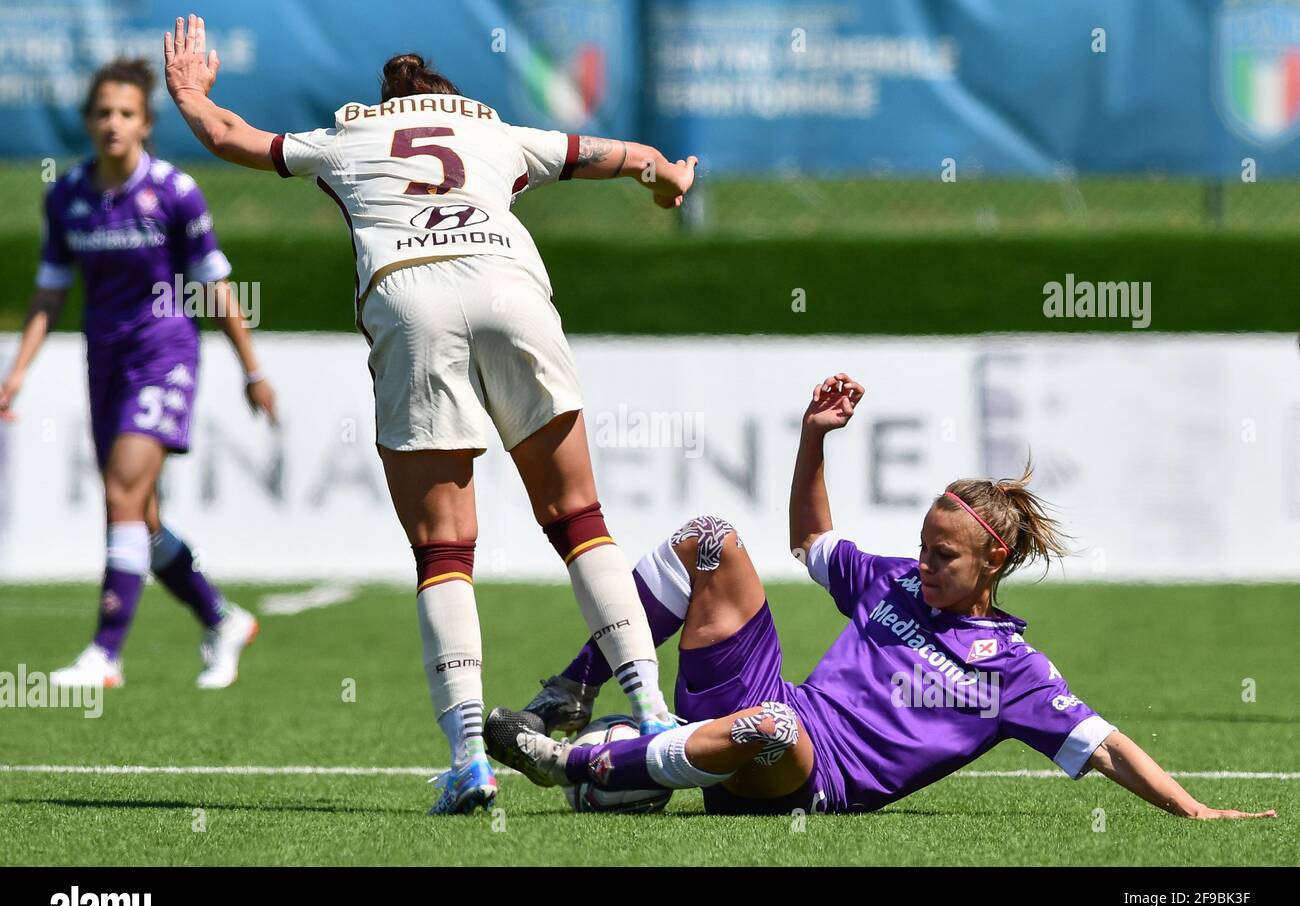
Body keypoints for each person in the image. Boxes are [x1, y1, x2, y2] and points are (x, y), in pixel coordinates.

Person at [162, 15, 697, 812]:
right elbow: (617, 156)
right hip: (506, 283)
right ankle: (653, 713)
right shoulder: (499, 132)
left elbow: (237, 140)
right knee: (579, 516)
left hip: (411, 298)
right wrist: (665, 175)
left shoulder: (346, 137)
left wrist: (190, 95)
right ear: (451, 100)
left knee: (443, 550)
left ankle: (470, 762)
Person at [487, 373, 1278, 821]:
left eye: (944, 555)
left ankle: (584, 767)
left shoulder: (1015, 671)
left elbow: (1104, 746)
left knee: (771, 726)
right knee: (710, 538)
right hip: (778, 707)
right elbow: (811, 543)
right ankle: (575, 697)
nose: (924, 564)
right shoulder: (897, 580)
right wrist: (813, 439)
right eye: (924, 547)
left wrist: (1195, 810)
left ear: (992, 561)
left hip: (804, 774)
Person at [0, 57, 275, 690]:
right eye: (102, 113)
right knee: (141, 517)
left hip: (165, 355)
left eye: (125, 113)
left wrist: (252, 368)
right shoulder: (67, 197)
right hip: (105, 361)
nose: (113, 123)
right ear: (89, 123)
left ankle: (105, 653)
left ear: (146, 122)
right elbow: (48, 295)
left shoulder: (174, 193)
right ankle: (221, 616)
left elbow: (215, 286)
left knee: (120, 496)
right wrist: (15, 373)